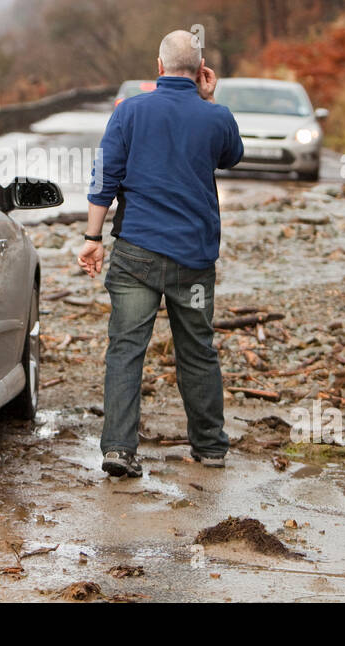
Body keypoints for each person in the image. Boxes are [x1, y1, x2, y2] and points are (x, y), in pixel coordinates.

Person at [78, 29, 243, 478]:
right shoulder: (217, 117)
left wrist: (93, 238)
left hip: (136, 257)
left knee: (127, 349)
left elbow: (104, 177)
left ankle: (118, 449)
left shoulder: (128, 112)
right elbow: (231, 157)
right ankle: (209, 447)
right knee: (197, 350)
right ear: (200, 70)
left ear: (159, 65)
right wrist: (209, 102)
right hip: (193, 259)